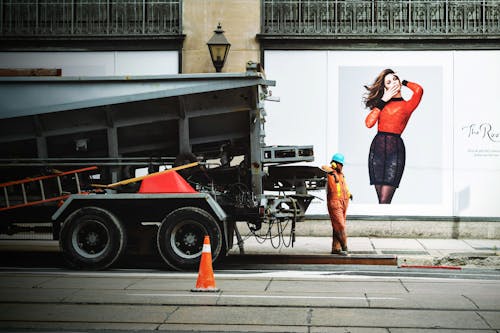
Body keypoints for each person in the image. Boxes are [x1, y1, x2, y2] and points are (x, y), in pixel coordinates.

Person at [364, 69, 423, 204]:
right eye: (389, 82)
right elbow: (369, 123)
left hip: (395, 152)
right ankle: (382, 225)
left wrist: (404, 82)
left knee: (385, 200)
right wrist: (384, 99)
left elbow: (419, 90)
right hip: (377, 151)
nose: (393, 83)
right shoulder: (381, 104)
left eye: (395, 79)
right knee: (380, 200)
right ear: (385, 88)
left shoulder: (408, 105)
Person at [321, 153, 352, 255]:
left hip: (343, 203)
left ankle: (336, 248)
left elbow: (344, 187)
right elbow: (323, 167)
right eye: (340, 164)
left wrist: (349, 194)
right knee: (340, 226)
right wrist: (332, 168)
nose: (342, 166)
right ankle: (345, 247)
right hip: (334, 203)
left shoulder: (341, 175)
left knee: (336, 226)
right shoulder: (330, 173)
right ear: (335, 163)